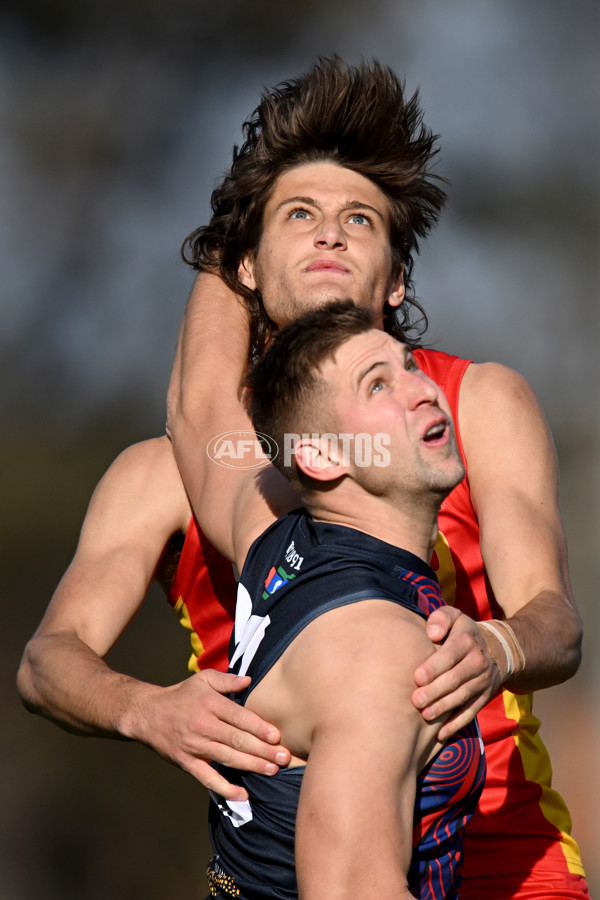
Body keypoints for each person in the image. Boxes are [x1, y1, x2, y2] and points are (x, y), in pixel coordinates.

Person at [17, 57, 587, 898]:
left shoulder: (464, 407)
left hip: (506, 854)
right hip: (302, 851)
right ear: (244, 266)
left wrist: (499, 646)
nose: (330, 234)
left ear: (395, 279)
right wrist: (145, 707)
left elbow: (557, 622)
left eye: (360, 219)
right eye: (301, 216)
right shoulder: (191, 468)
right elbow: (45, 663)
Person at [177, 296, 486, 900]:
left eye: (411, 366)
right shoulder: (379, 656)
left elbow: (201, 410)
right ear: (319, 456)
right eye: (377, 387)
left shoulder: (268, 535)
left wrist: (232, 234)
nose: (423, 390)